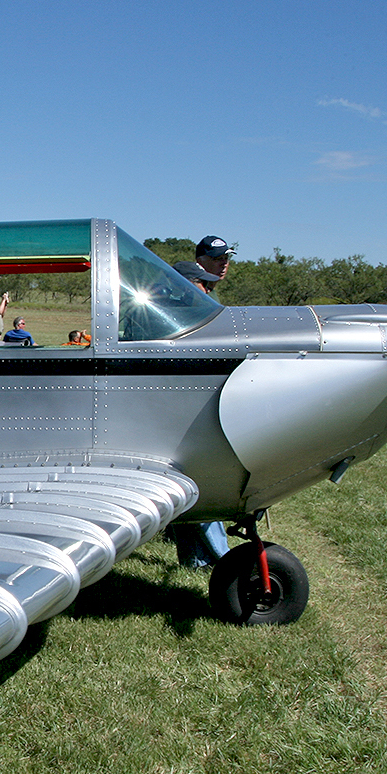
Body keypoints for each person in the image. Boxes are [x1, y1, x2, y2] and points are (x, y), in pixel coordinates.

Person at [169, 234, 235, 567]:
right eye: (202, 285)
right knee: (200, 477)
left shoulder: (192, 298)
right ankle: (221, 558)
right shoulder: (183, 305)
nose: (207, 291)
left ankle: (195, 560)